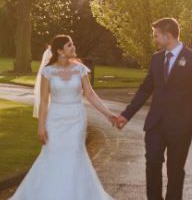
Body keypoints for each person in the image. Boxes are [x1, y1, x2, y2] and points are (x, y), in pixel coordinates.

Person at [10, 34, 123, 200]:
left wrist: (108, 114)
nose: (74, 47)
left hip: (76, 119)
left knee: (75, 155)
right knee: (52, 155)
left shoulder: (80, 69)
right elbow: (43, 101)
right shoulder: (48, 71)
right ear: (60, 50)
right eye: (70, 45)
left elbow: (90, 95)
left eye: (73, 44)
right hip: (55, 120)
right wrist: (41, 126)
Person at [116, 17, 192, 200]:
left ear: (168, 36)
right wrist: (126, 115)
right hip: (155, 124)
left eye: (156, 36)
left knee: (175, 171)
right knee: (152, 163)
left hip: (181, 125)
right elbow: (145, 89)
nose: (155, 40)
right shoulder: (156, 59)